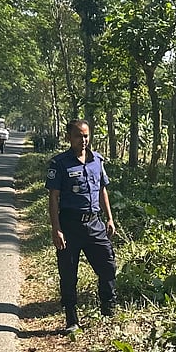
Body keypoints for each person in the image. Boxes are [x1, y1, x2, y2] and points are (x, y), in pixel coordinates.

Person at [46, 119, 118, 333]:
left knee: (108, 266)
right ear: (69, 137)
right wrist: (56, 228)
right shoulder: (59, 163)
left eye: (86, 135)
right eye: (78, 136)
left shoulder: (97, 160)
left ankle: (108, 310)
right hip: (70, 225)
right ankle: (71, 319)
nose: (83, 140)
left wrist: (109, 218)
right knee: (68, 273)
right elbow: (54, 197)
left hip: (95, 223)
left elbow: (102, 190)